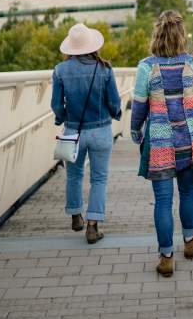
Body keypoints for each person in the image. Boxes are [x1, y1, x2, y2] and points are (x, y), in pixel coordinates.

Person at [130, 10, 193, 277]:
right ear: (181, 36)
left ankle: (166, 257)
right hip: (189, 142)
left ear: (157, 35)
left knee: (163, 201)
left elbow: (138, 110)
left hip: (159, 144)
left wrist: (135, 133)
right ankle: (190, 243)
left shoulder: (146, 67)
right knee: (188, 193)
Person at [51, 23, 122, 243]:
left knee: (74, 175)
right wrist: (116, 113)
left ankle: (75, 214)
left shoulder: (60, 70)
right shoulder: (105, 69)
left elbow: (56, 104)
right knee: (99, 178)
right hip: (101, 131)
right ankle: (93, 225)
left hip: (73, 131)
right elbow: (113, 101)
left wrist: (62, 118)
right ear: (92, 45)